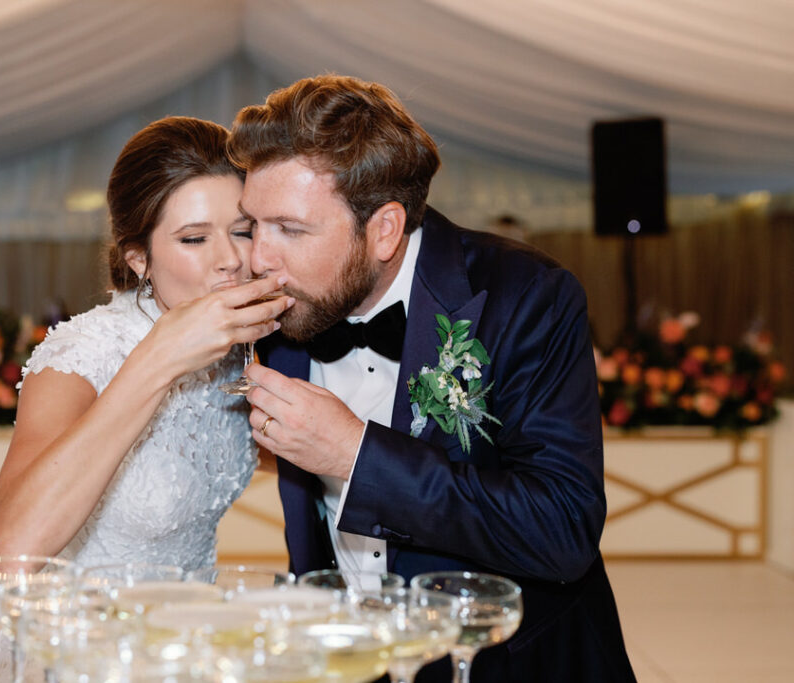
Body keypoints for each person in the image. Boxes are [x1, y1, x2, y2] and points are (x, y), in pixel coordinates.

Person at [230, 76, 636, 682]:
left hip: (511, 665)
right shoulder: (278, 309)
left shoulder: (527, 297)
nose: (259, 257)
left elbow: (562, 528)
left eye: (291, 229)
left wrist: (354, 454)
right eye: (253, 224)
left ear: (385, 229)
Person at [0, 116, 292, 682]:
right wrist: (158, 359)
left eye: (243, 230)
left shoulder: (244, 349)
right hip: (84, 658)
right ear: (138, 259)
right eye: (194, 239)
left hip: (189, 654)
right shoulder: (83, 353)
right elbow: (12, 553)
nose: (230, 259)